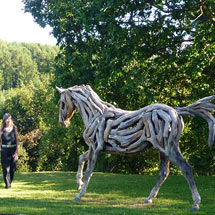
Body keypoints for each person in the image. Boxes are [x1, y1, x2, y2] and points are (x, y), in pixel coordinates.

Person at [0, 113, 19, 189]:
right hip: (4, 150)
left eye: (9, 119)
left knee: (13, 168)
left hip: (13, 150)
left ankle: (9, 182)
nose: (8, 121)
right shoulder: (2, 129)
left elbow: (17, 140)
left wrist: (16, 151)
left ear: (11, 120)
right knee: (5, 168)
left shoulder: (14, 128)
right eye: (6, 119)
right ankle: (8, 185)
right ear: (4, 120)